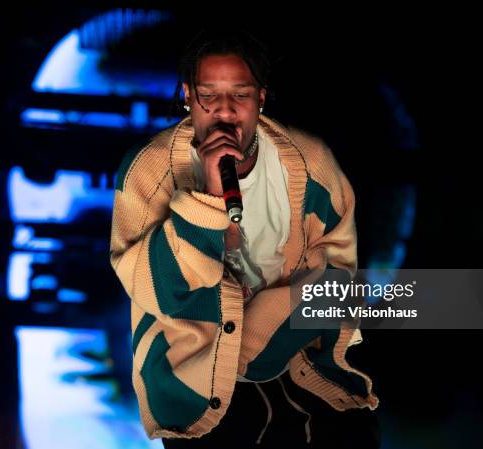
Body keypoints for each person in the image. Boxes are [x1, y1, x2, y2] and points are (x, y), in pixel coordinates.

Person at [109, 29, 380, 448]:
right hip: (191, 375)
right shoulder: (147, 171)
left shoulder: (312, 165)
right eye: (208, 95)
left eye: (240, 94)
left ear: (261, 98)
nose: (224, 111)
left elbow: (336, 282)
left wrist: (257, 335)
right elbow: (157, 290)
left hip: (295, 360)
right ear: (186, 95)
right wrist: (208, 199)